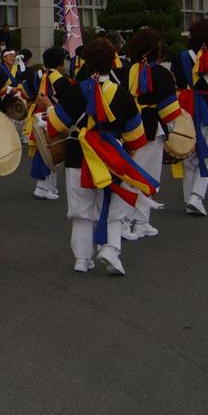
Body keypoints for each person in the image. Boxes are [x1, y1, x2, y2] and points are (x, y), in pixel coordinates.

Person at [39, 38, 158, 275]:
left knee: (81, 208)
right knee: (113, 205)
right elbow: (136, 138)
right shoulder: (122, 94)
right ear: (113, 62)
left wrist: (49, 107)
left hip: (78, 153)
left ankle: (82, 259)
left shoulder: (76, 90)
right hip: (111, 154)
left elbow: (56, 125)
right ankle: (110, 250)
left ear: (86, 62)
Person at [122, 28, 181, 238]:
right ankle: (136, 222)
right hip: (151, 128)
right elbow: (169, 109)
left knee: (129, 174)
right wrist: (172, 129)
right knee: (147, 176)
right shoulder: (161, 73)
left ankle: (128, 221)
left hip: (128, 125)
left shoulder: (126, 70)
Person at [172, 20, 208, 215]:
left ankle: (188, 199)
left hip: (184, 110)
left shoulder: (180, 58)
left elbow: (175, 85)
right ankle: (196, 197)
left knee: (188, 156)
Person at [26, 47, 70, 201]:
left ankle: (49, 186)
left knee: (46, 151)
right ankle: (42, 187)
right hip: (52, 118)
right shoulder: (61, 80)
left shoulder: (38, 75)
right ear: (60, 63)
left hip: (38, 117)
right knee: (51, 152)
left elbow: (27, 91)